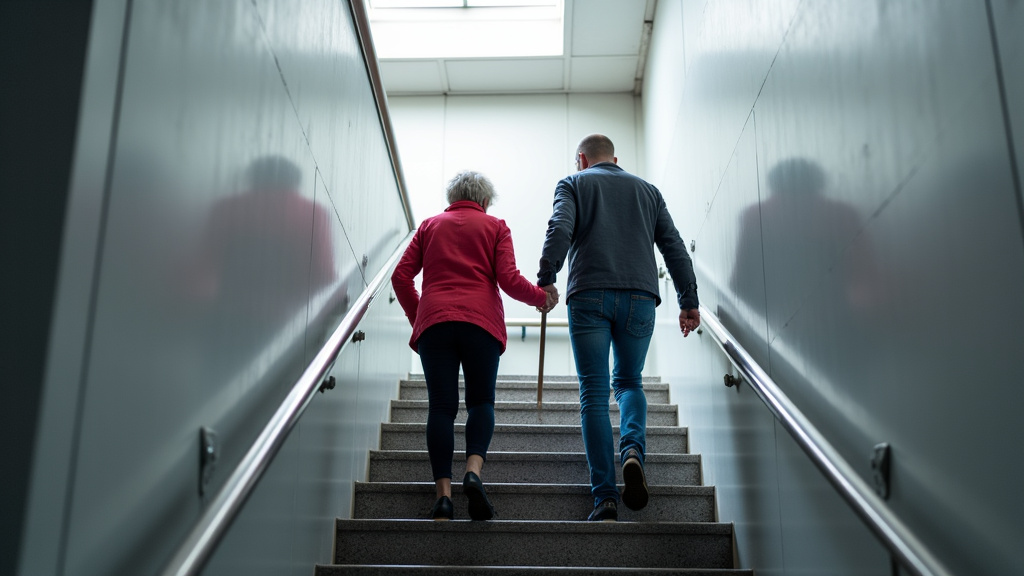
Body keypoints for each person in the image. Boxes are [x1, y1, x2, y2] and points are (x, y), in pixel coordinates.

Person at [537, 134, 700, 522]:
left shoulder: (573, 183)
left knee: (593, 393)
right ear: (615, 159)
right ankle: (631, 451)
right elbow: (674, 247)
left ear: (581, 159)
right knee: (628, 382)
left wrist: (547, 277)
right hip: (640, 296)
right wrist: (688, 300)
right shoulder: (648, 191)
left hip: (589, 294)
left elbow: (560, 227)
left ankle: (605, 498)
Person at [392, 170, 556, 521]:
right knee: (481, 402)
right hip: (480, 324)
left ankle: (443, 498)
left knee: (441, 408)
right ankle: (473, 472)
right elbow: (508, 279)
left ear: (452, 199)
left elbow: (400, 276)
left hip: (434, 324)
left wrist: (420, 315)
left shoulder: (429, 226)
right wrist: (541, 297)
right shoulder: (495, 227)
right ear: (484, 201)